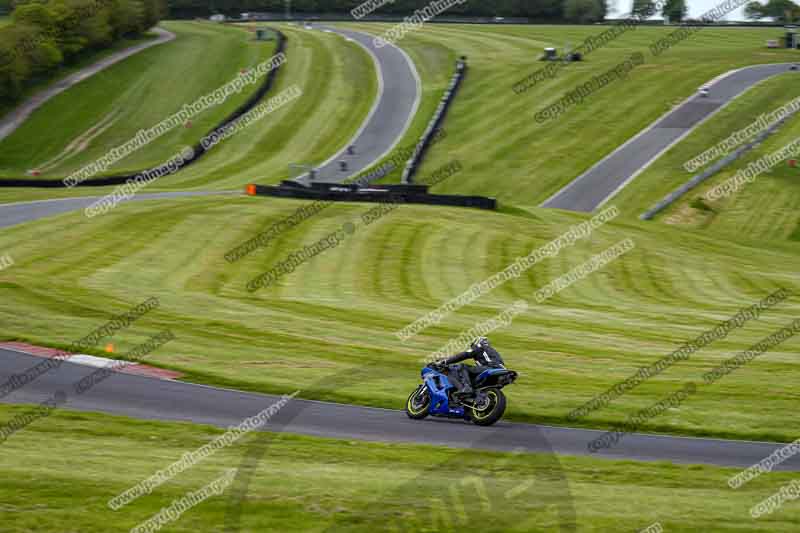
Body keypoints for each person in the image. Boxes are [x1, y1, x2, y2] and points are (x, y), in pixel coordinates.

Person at [433, 337, 505, 397]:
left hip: (491, 368)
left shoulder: (479, 347)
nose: (472, 347)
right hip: (501, 371)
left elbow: (464, 355)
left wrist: (446, 361)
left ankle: (466, 387)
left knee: (462, 366)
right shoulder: (492, 351)